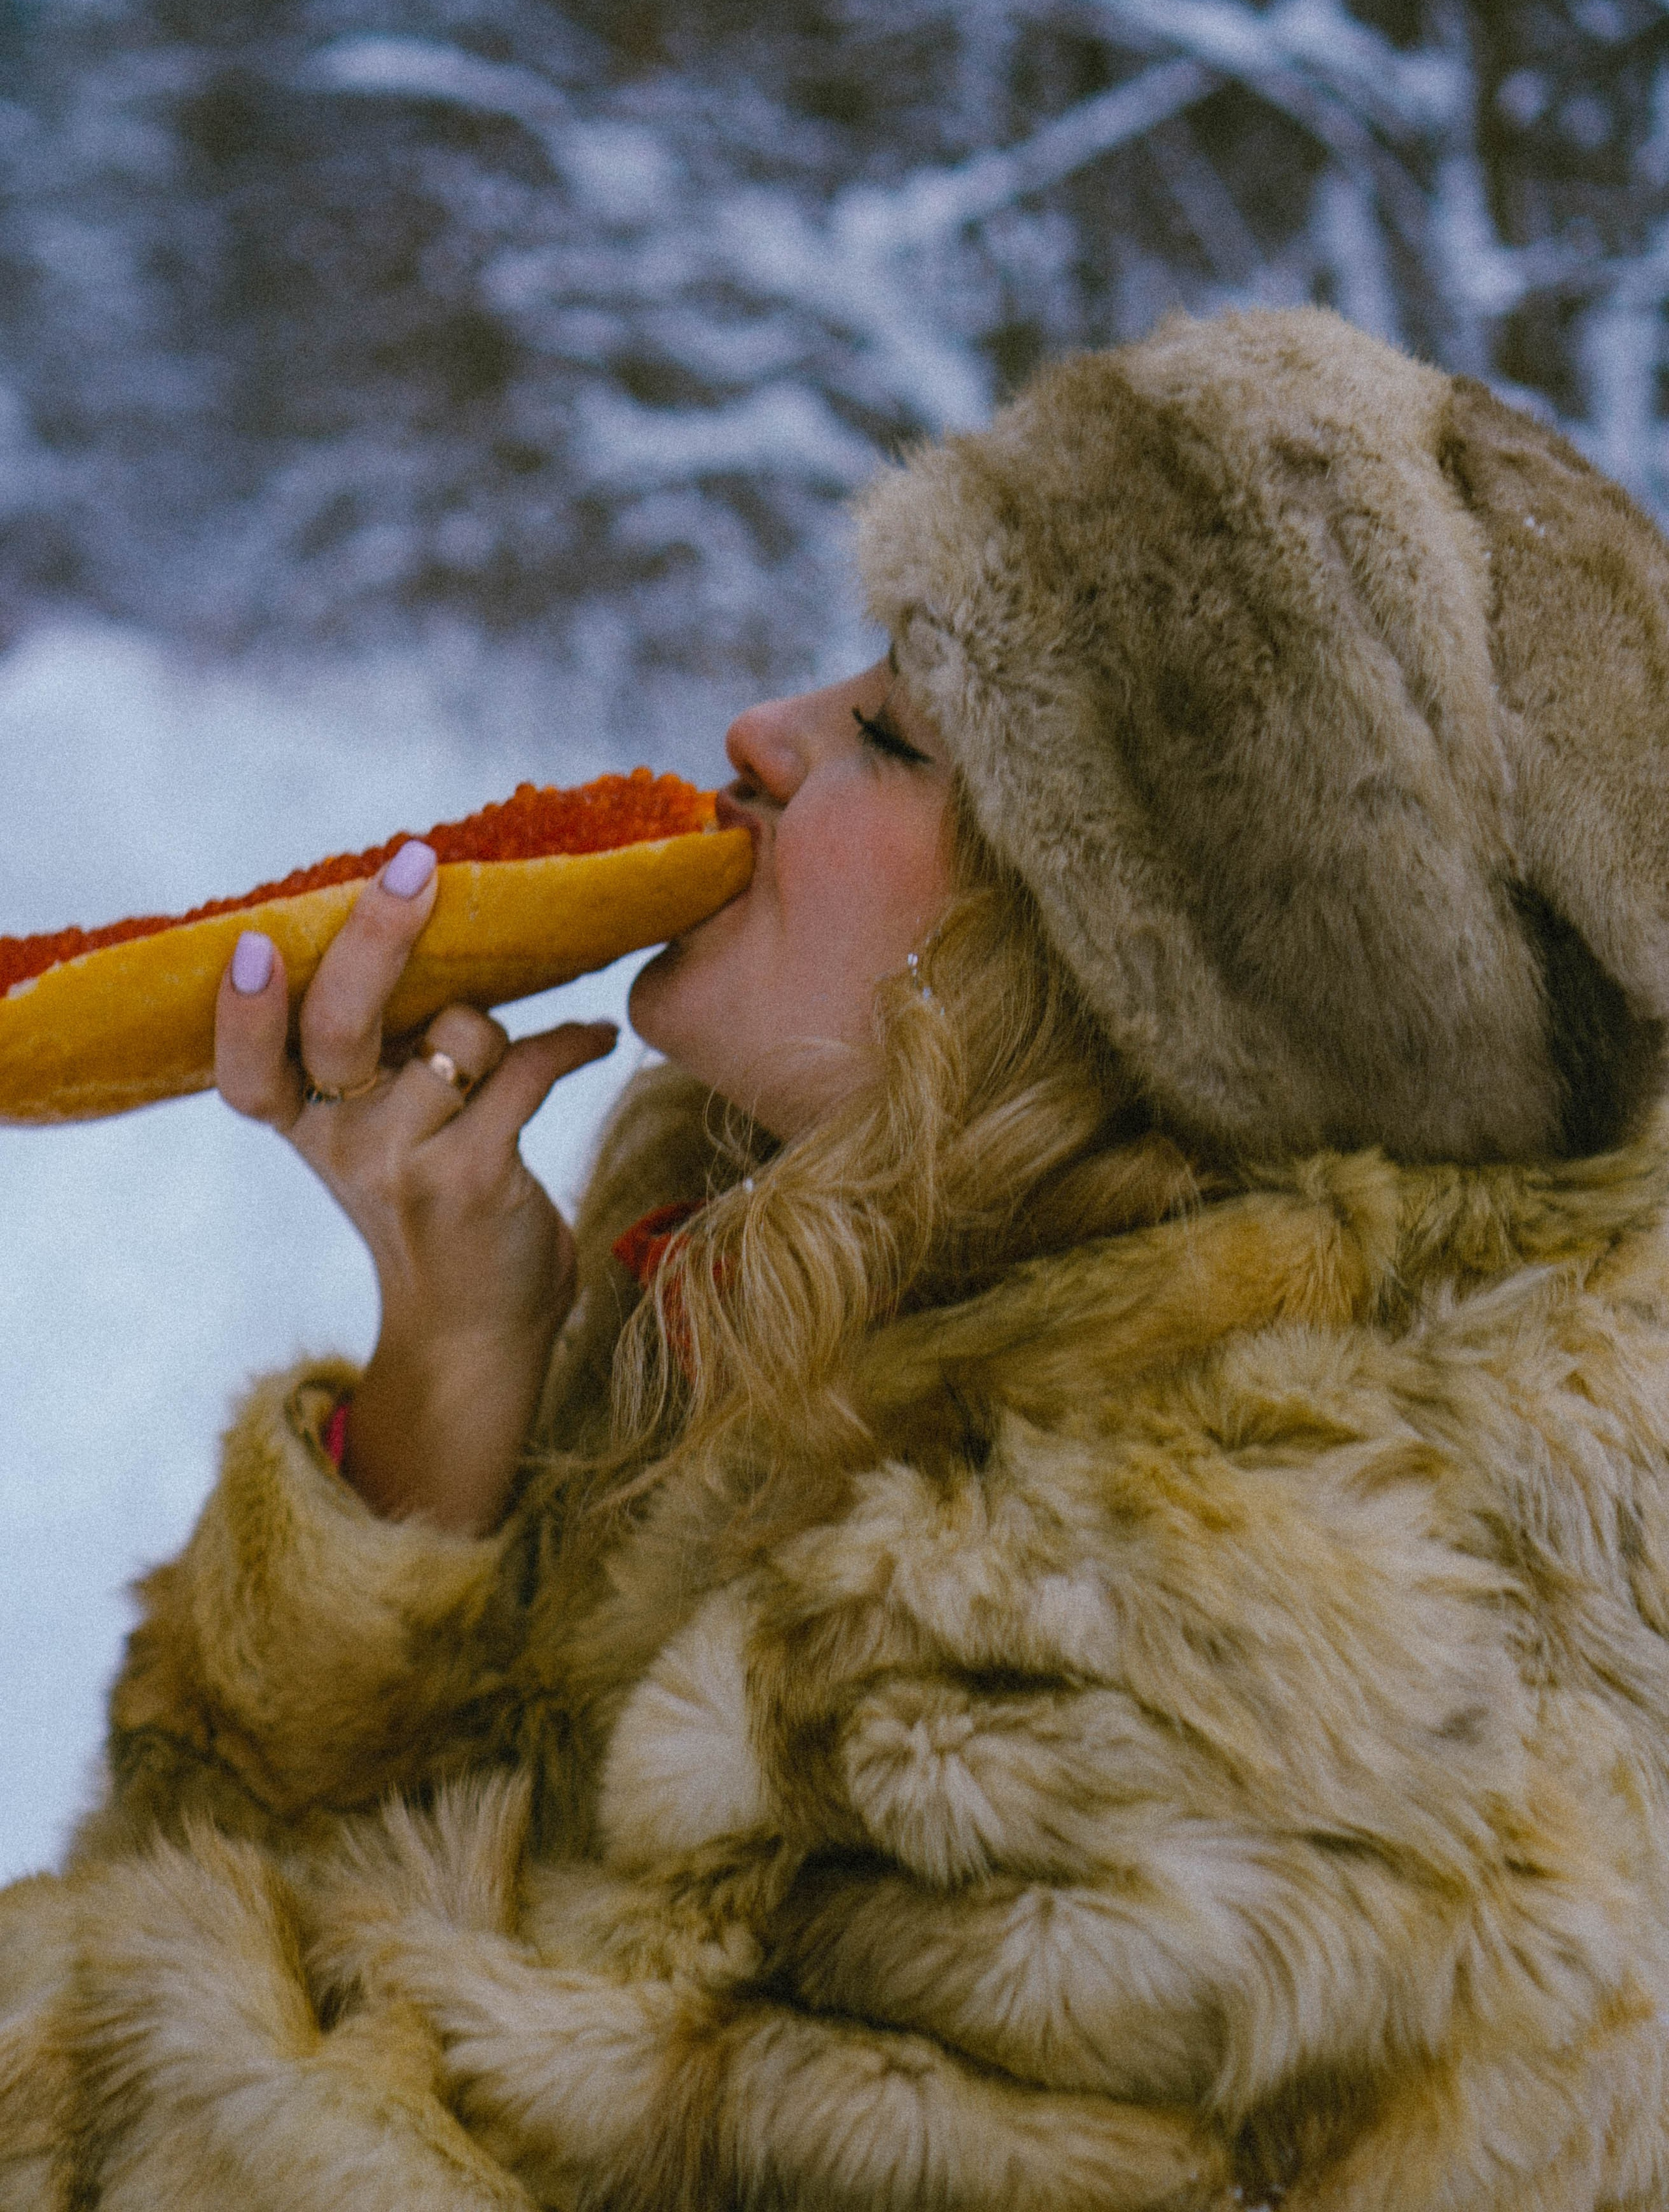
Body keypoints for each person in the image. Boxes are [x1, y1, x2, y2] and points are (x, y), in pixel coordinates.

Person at [6, 306, 1669, 2211]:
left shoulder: (1213, 1669)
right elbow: (396, 1966)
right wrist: (445, 1404)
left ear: (1118, 999)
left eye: (891, 730)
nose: (762, 733)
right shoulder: (829, 1314)